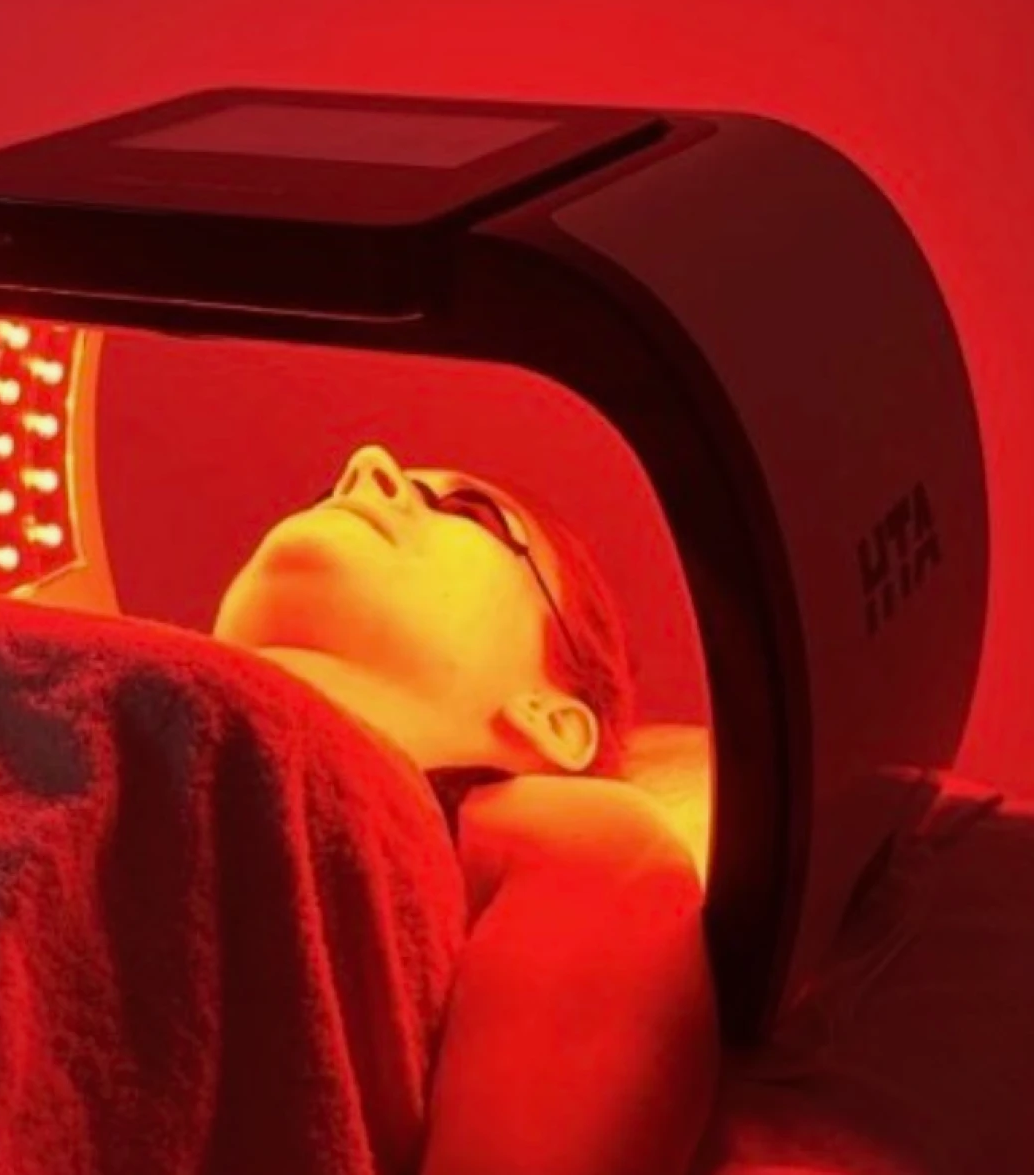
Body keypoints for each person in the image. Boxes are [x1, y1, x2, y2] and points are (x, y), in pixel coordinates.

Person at [211, 443, 720, 1175]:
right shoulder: (98, 682)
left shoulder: (577, 838)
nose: (365, 466)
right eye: (324, 492)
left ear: (551, 721)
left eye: (467, 510)